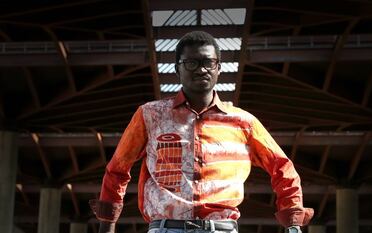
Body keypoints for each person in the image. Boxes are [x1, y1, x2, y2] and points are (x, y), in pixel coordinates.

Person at [90, 31, 313, 233]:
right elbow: (118, 168)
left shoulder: (244, 123)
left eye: (208, 62)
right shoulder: (150, 115)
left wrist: (292, 221)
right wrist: (107, 224)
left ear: (218, 68)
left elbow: (281, 167)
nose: (201, 69)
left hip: (222, 229)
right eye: (191, 63)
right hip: (166, 229)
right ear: (177, 68)